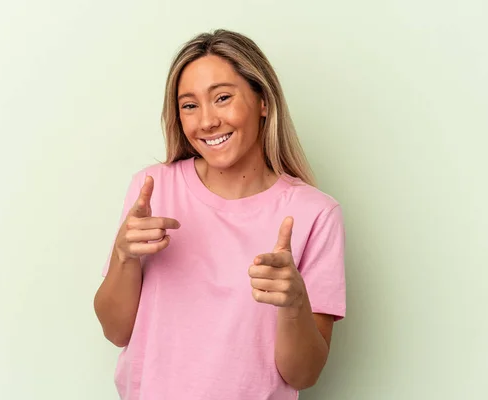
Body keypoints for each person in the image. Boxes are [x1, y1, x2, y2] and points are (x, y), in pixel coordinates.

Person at [93, 29, 346, 400]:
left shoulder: (316, 214)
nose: (207, 121)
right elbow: (116, 331)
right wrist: (124, 257)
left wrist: (294, 305)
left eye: (222, 98)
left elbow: (304, 374)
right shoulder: (152, 189)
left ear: (263, 101)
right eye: (189, 105)